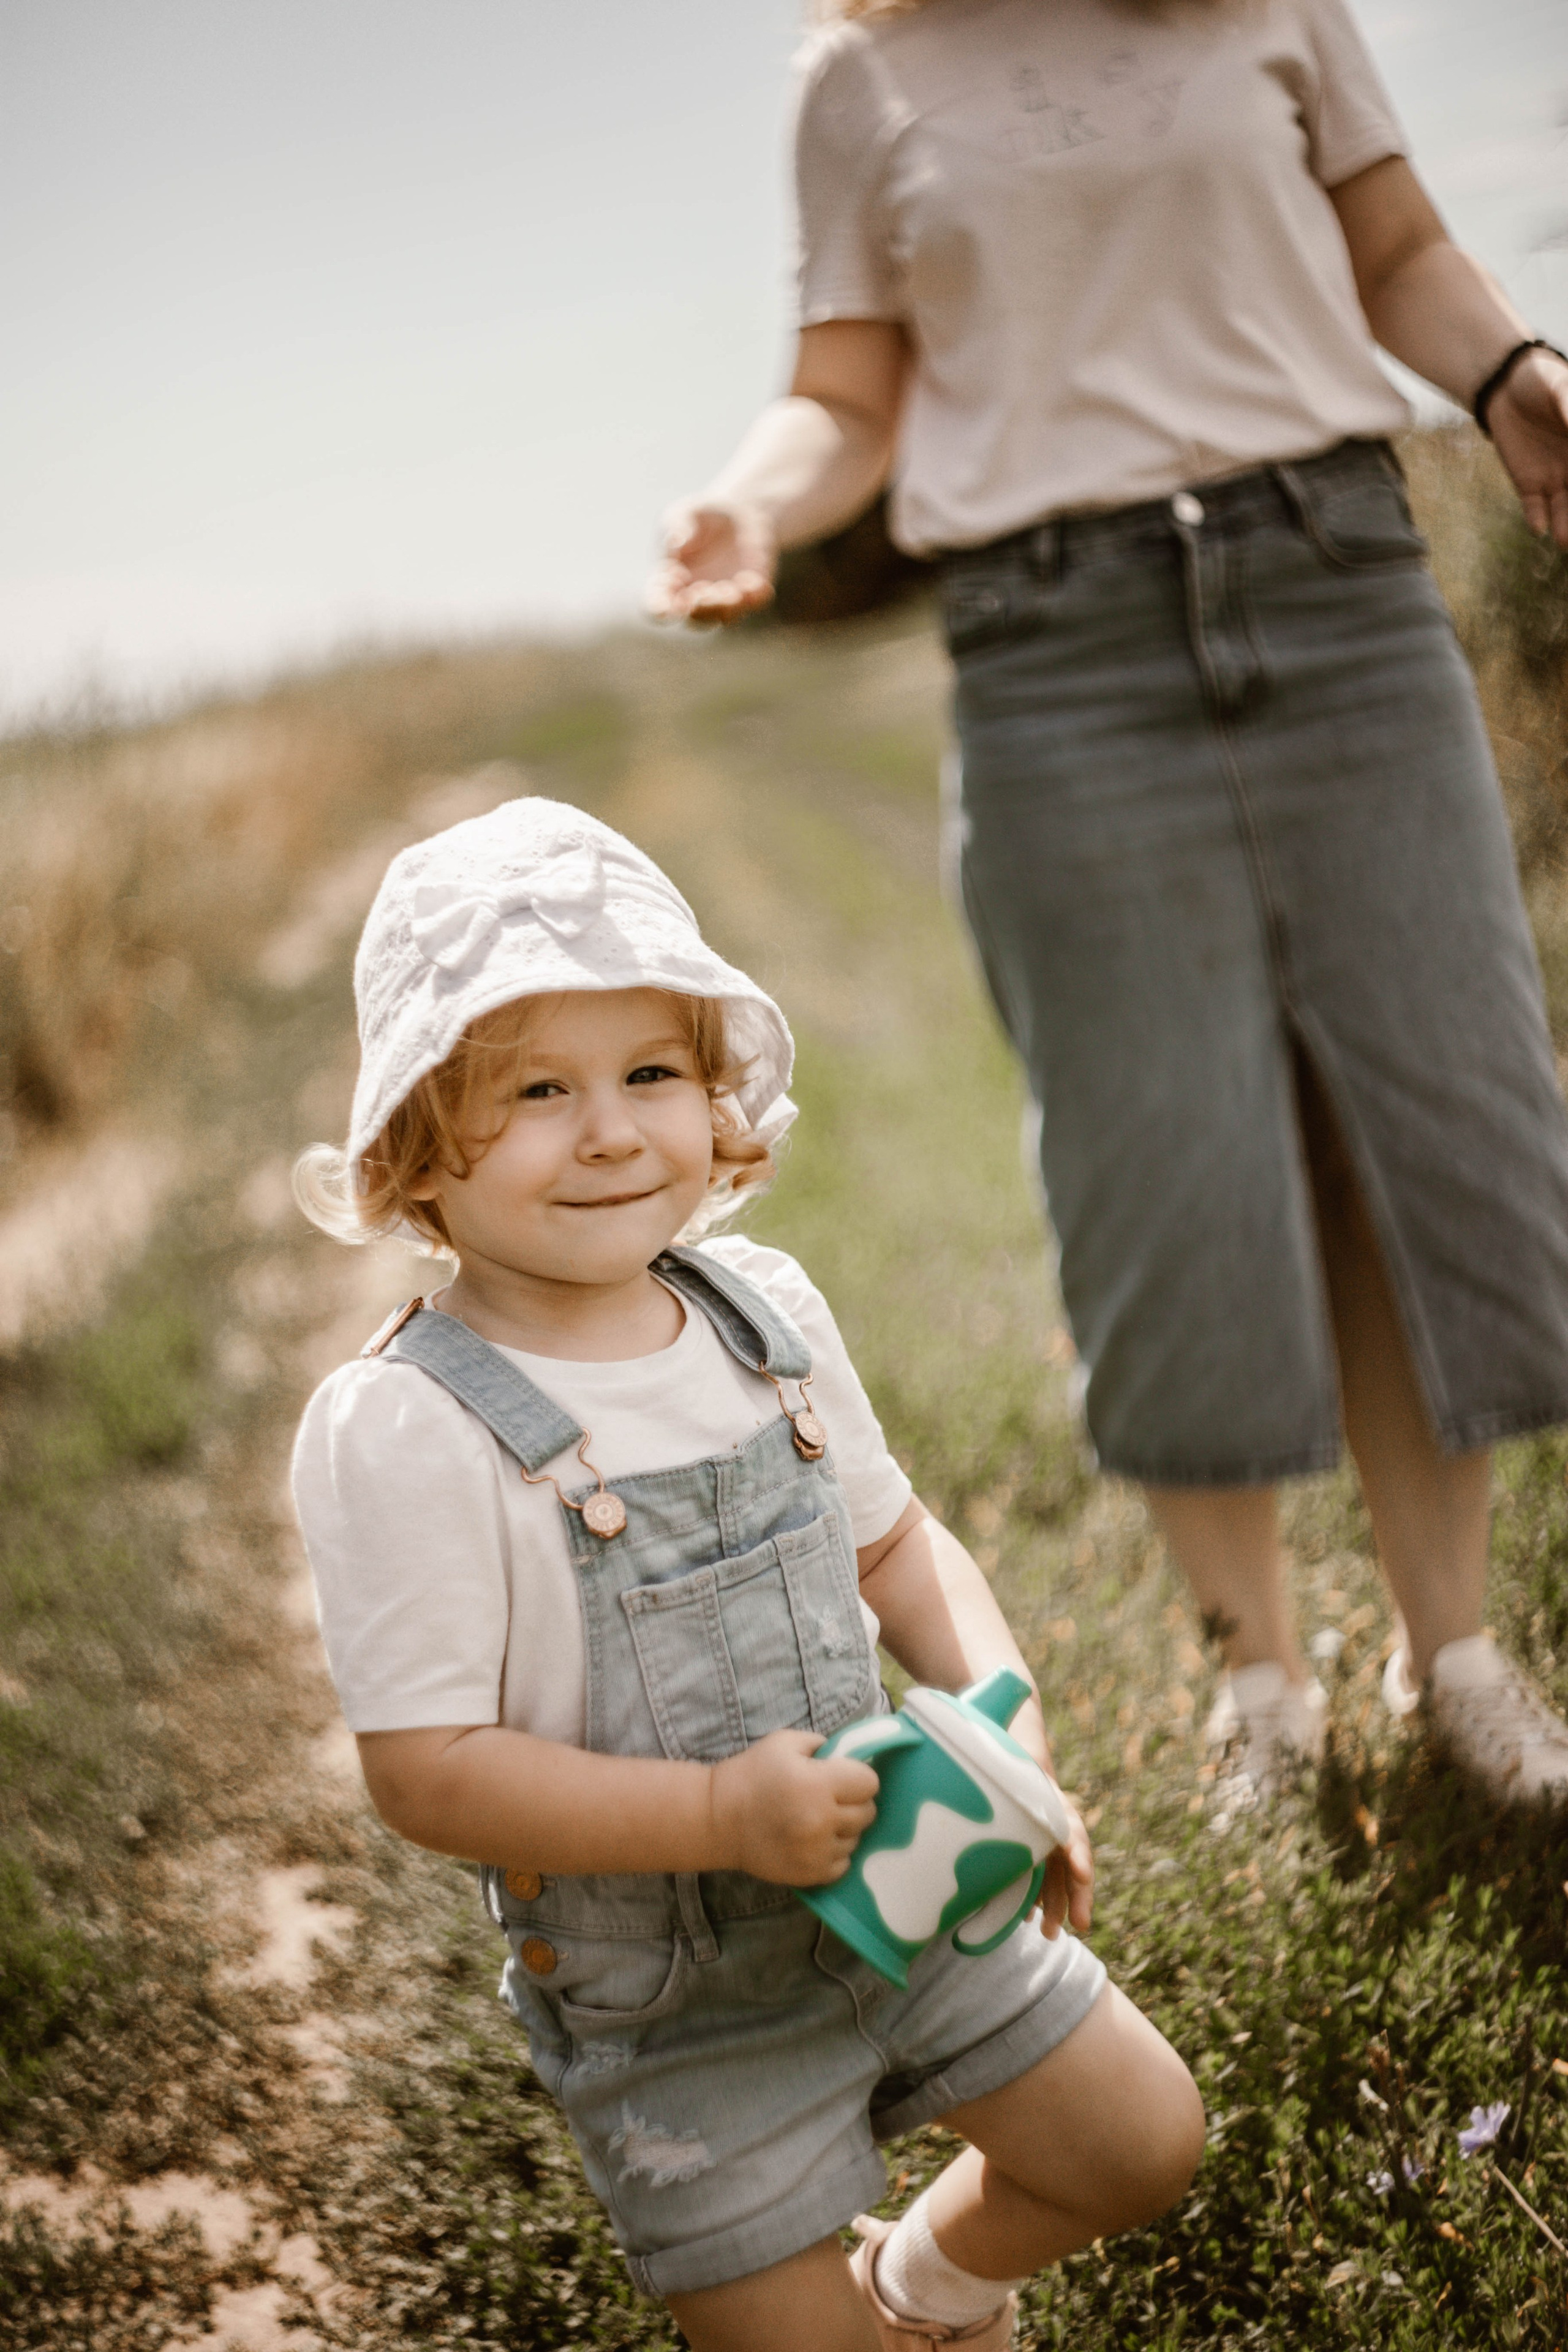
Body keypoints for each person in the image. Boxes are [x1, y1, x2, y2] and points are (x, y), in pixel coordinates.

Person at [649, 0, 1568, 1812]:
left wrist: (1509, 371)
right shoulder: (864, 76)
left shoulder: (1267, 7)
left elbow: (1394, 249)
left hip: (1336, 588)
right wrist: (749, 507)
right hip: (1054, 648)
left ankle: (1455, 1657)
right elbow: (845, 398)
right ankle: (1262, 1691)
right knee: (1161, 1162)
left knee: (1423, 1116)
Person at [288, 796, 1202, 2352]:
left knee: (1140, 2141)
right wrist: (716, 1816)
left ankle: (924, 2288)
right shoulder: (407, 1426)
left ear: (712, 1099)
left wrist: (1005, 1733)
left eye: (650, 1073)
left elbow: (895, 1544)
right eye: (537, 1091)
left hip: (902, 1880)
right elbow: (424, 1772)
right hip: (673, 2008)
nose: (608, 1131)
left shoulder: (758, 1318)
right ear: (419, 1149)